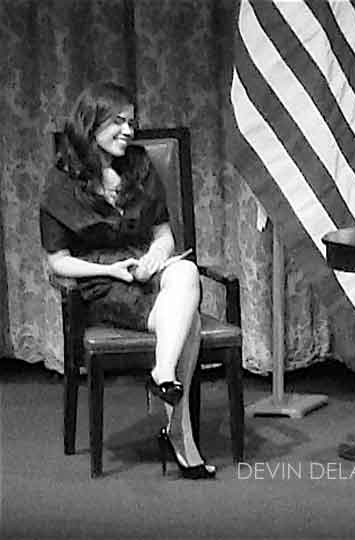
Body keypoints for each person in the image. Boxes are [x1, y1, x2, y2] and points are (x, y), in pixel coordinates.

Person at [39, 81, 215, 479]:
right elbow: (58, 262)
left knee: (185, 270)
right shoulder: (61, 180)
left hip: (146, 273)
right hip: (103, 283)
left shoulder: (139, 165)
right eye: (118, 122)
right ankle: (180, 437)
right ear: (91, 123)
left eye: (132, 122)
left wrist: (155, 257)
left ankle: (163, 374)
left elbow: (164, 235)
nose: (129, 131)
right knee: (189, 321)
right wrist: (109, 270)